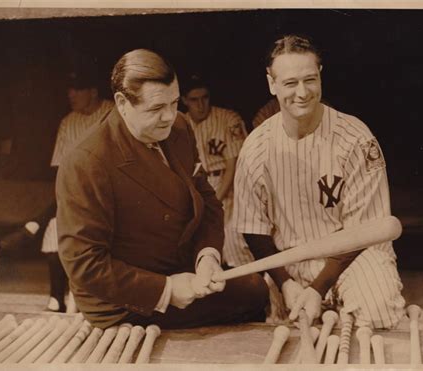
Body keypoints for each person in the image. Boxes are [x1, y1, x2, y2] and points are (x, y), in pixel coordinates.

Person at [56, 49, 269, 329]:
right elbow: (85, 265)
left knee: (254, 289)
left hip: (180, 272)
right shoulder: (85, 162)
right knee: (250, 295)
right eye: (156, 109)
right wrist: (165, 290)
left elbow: (208, 202)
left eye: (174, 102)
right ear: (121, 102)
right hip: (126, 300)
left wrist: (207, 257)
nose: (170, 116)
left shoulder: (179, 127)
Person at [233, 34, 405, 329]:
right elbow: (254, 230)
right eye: (290, 83)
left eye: (309, 79)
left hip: (354, 259)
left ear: (320, 76)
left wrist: (318, 289)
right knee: (285, 337)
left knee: (376, 313)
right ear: (272, 84)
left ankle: (342, 306)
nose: (302, 92)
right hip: (289, 265)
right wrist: (286, 284)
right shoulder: (256, 147)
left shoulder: (356, 138)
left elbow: (365, 232)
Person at [41, 68, 114, 312]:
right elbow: (58, 167)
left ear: (93, 92)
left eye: (78, 89)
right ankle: (56, 297)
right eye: (69, 89)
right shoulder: (68, 121)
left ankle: (88, 295)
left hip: (108, 190)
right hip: (75, 190)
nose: (71, 94)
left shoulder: (113, 113)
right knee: (54, 229)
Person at [181, 75, 253, 267]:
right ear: (184, 100)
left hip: (229, 187)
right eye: (194, 100)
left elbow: (234, 165)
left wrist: (214, 200)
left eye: (205, 97)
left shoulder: (229, 119)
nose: (201, 104)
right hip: (196, 189)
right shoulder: (179, 123)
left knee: (234, 244)